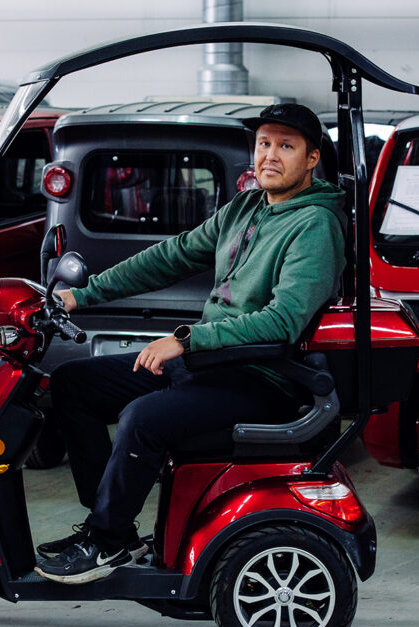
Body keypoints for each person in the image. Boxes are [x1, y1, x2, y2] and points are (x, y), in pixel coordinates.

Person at [35, 103, 348, 584]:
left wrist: (187, 339)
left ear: (311, 159)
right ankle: (108, 524)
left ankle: (106, 539)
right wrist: (81, 294)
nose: (270, 155)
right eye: (264, 143)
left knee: (142, 418)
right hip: (213, 364)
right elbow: (170, 256)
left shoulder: (314, 226)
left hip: (265, 376)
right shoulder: (247, 207)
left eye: (286, 146)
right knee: (73, 383)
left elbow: (283, 321)